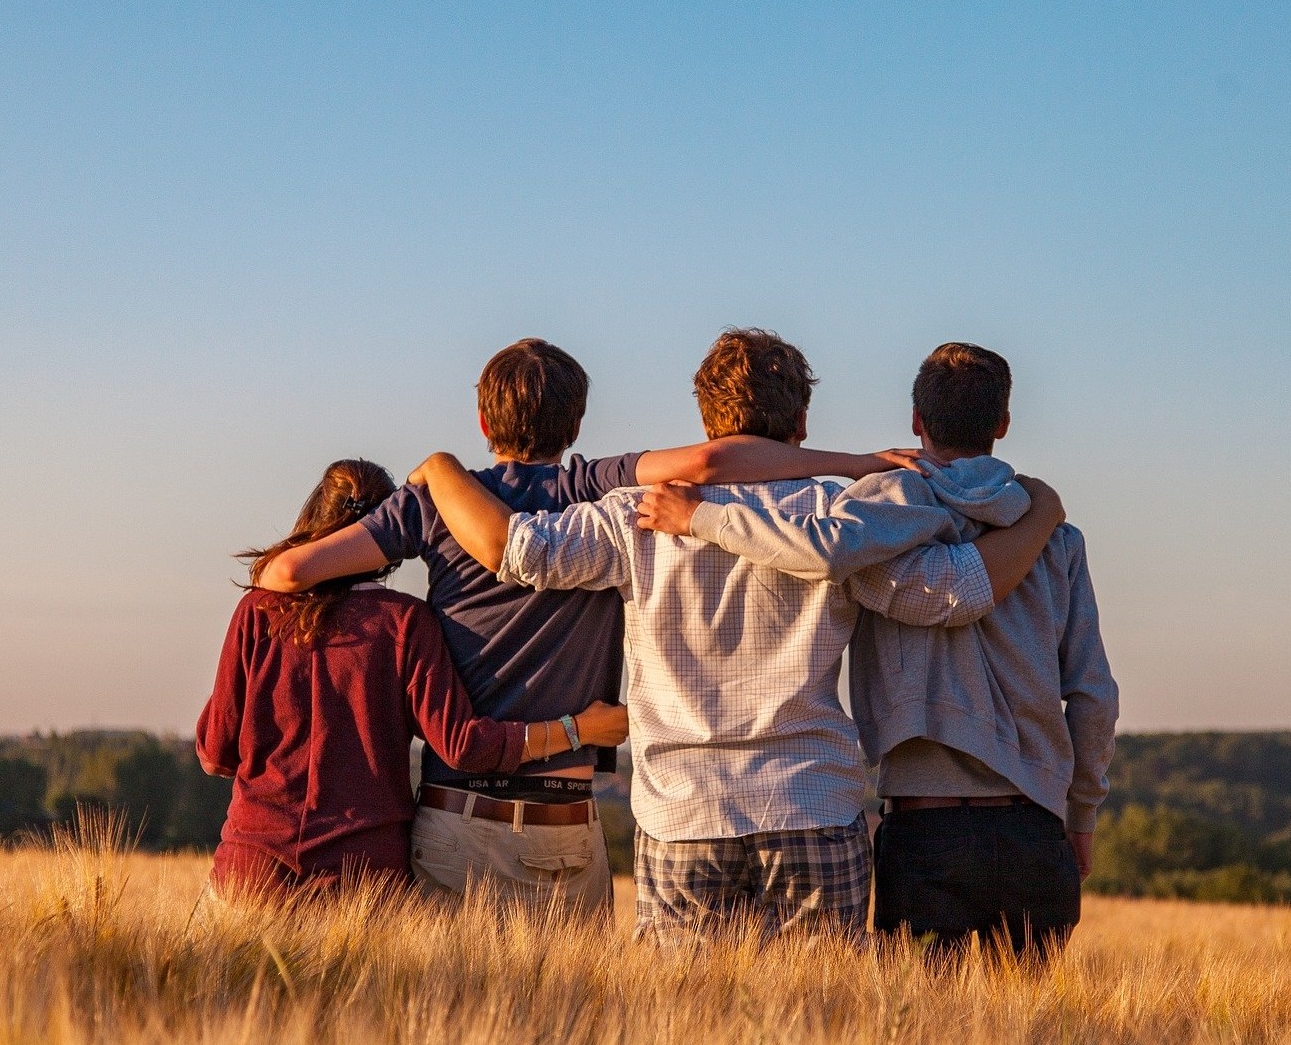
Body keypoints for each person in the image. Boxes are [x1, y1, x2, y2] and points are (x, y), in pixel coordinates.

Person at [407, 330, 1065, 943]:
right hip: (810, 801)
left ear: (704, 421)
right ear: (800, 423)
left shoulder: (634, 514)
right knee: (820, 1030)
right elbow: (948, 596)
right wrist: (1038, 517)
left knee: (683, 1031)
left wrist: (439, 469)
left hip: (681, 813)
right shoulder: (839, 516)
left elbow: (516, 551)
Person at [254, 338, 937, 913]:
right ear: (576, 422)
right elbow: (711, 463)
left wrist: (434, 476)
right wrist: (858, 464)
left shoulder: (439, 504)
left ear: (482, 421)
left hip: (469, 810)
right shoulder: (593, 486)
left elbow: (288, 576)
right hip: (581, 813)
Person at [638, 342, 1118, 958]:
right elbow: (1093, 695)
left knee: (918, 1037)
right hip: (1034, 824)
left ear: (917, 421)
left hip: (923, 829)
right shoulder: (1055, 537)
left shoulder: (875, 517)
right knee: (1027, 1042)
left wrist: (702, 517)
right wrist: (1080, 815)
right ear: (1002, 424)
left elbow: (820, 549)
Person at [196, 458, 628, 901]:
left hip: (252, 870)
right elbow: (463, 746)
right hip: (363, 881)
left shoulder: (258, 612)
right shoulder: (405, 623)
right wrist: (580, 729)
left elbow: (215, 753)